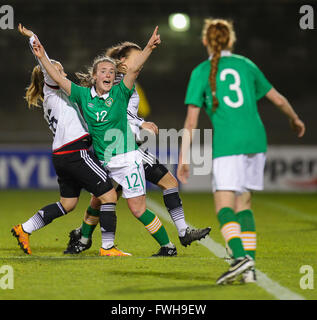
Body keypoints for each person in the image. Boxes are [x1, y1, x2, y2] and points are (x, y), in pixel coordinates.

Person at [177, 18, 306, 284]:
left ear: (205, 41)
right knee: (244, 204)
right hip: (256, 140)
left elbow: (191, 122)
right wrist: (295, 119)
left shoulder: (201, 71)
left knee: (224, 206)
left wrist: (183, 158)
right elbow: (278, 99)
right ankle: (249, 269)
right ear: (230, 40)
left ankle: (240, 258)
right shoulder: (246, 65)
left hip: (229, 143)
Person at [32, 26, 178, 257]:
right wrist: (41, 57)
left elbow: (134, 70)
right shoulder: (81, 95)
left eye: (111, 71)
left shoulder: (121, 93)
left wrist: (149, 47)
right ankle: (102, 245)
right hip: (104, 162)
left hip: (128, 160)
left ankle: (167, 247)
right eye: (104, 71)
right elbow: (58, 78)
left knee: (138, 209)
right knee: (101, 199)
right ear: (94, 76)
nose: (109, 75)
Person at [66, 41, 211, 251]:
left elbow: (126, 109)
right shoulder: (113, 82)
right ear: (124, 60)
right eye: (137, 56)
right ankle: (84, 237)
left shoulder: (125, 80)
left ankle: (83, 237)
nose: (141, 61)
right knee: (107, 198)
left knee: (104, 198)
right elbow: (114, 110)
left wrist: (139, 120)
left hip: (128, 146)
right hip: (119, 147)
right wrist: (141, 122)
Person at [11, 24, 126, 256]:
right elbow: (46, 64)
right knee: (109, 195)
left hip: (62, 155)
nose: (62, 74)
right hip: (75, 153)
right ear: (50, 75)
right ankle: (108, 247)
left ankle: (24, 228)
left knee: (68, 204)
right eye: (59, 71)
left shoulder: (55, 99)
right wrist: (33, 38)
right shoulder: (53, 87)